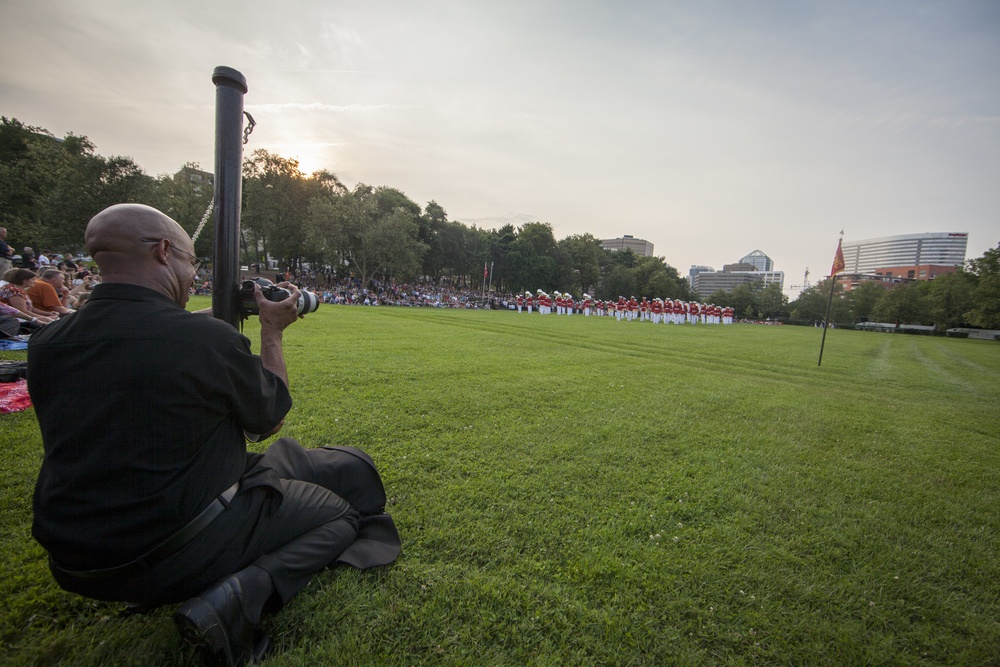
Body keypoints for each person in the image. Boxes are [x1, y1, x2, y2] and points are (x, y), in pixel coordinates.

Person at [28, 203, 400, 667]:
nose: (191, 272)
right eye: (191, 261)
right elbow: (269, 422)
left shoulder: (48, 343)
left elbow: (139, 339)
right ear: (164, 251)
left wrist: (216, 315)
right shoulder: (202, 343)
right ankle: (232, 603)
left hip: (75, 560)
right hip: (166, 548)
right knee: (340, 516)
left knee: (293, 468)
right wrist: (271, 331)